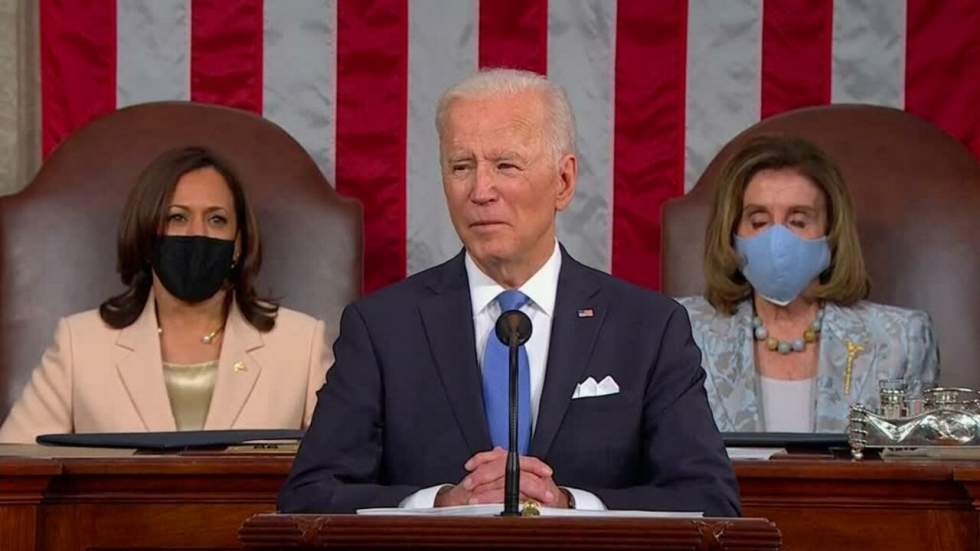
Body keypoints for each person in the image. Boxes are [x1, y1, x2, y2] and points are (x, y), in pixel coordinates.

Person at [279, 69, 740, 516]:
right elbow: (309, 495)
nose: (481, 190)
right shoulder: (383, 328)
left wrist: (570, 504)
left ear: (564, 182)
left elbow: (709, 500)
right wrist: (438, 504)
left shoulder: (647, 328)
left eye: (506, 165)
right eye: (462, 166)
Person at [0, 146, 330, 443]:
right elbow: (15, 471)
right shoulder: (80, 343)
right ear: (145, 236)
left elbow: (341, 469)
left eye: (216, 219)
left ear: (238, 244)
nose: (197, 234)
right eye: (177, 218)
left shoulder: (301, 344)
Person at [677, 135, 939, 433]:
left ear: (831, 231)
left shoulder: (901, 341)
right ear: (732, 232)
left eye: (798, 221)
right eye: (759, 221)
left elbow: (915, 470)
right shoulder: (681, 332)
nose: (777, 241)